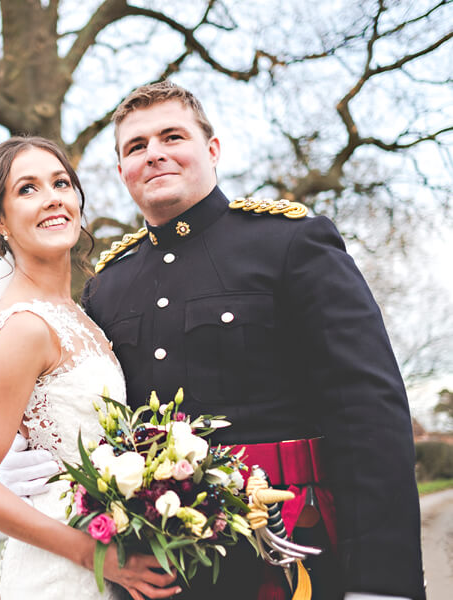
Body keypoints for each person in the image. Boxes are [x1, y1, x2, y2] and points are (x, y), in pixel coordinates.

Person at [76, 81, 423, 599]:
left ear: (211, 149)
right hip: (159, 572)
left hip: (289, 547)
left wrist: (382, 582)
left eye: (173, 136)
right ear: (122, 170)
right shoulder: (105, 287)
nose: (155, 155)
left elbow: (367, 411)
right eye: (136, 146)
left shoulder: (290, 242)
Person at [0, 136, 182, 600]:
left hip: (111, 551)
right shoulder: (25, 326)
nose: (52, 199)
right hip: (63, 568)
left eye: (60, 182)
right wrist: (94, 555)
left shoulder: (80, 315)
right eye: (27, 189)